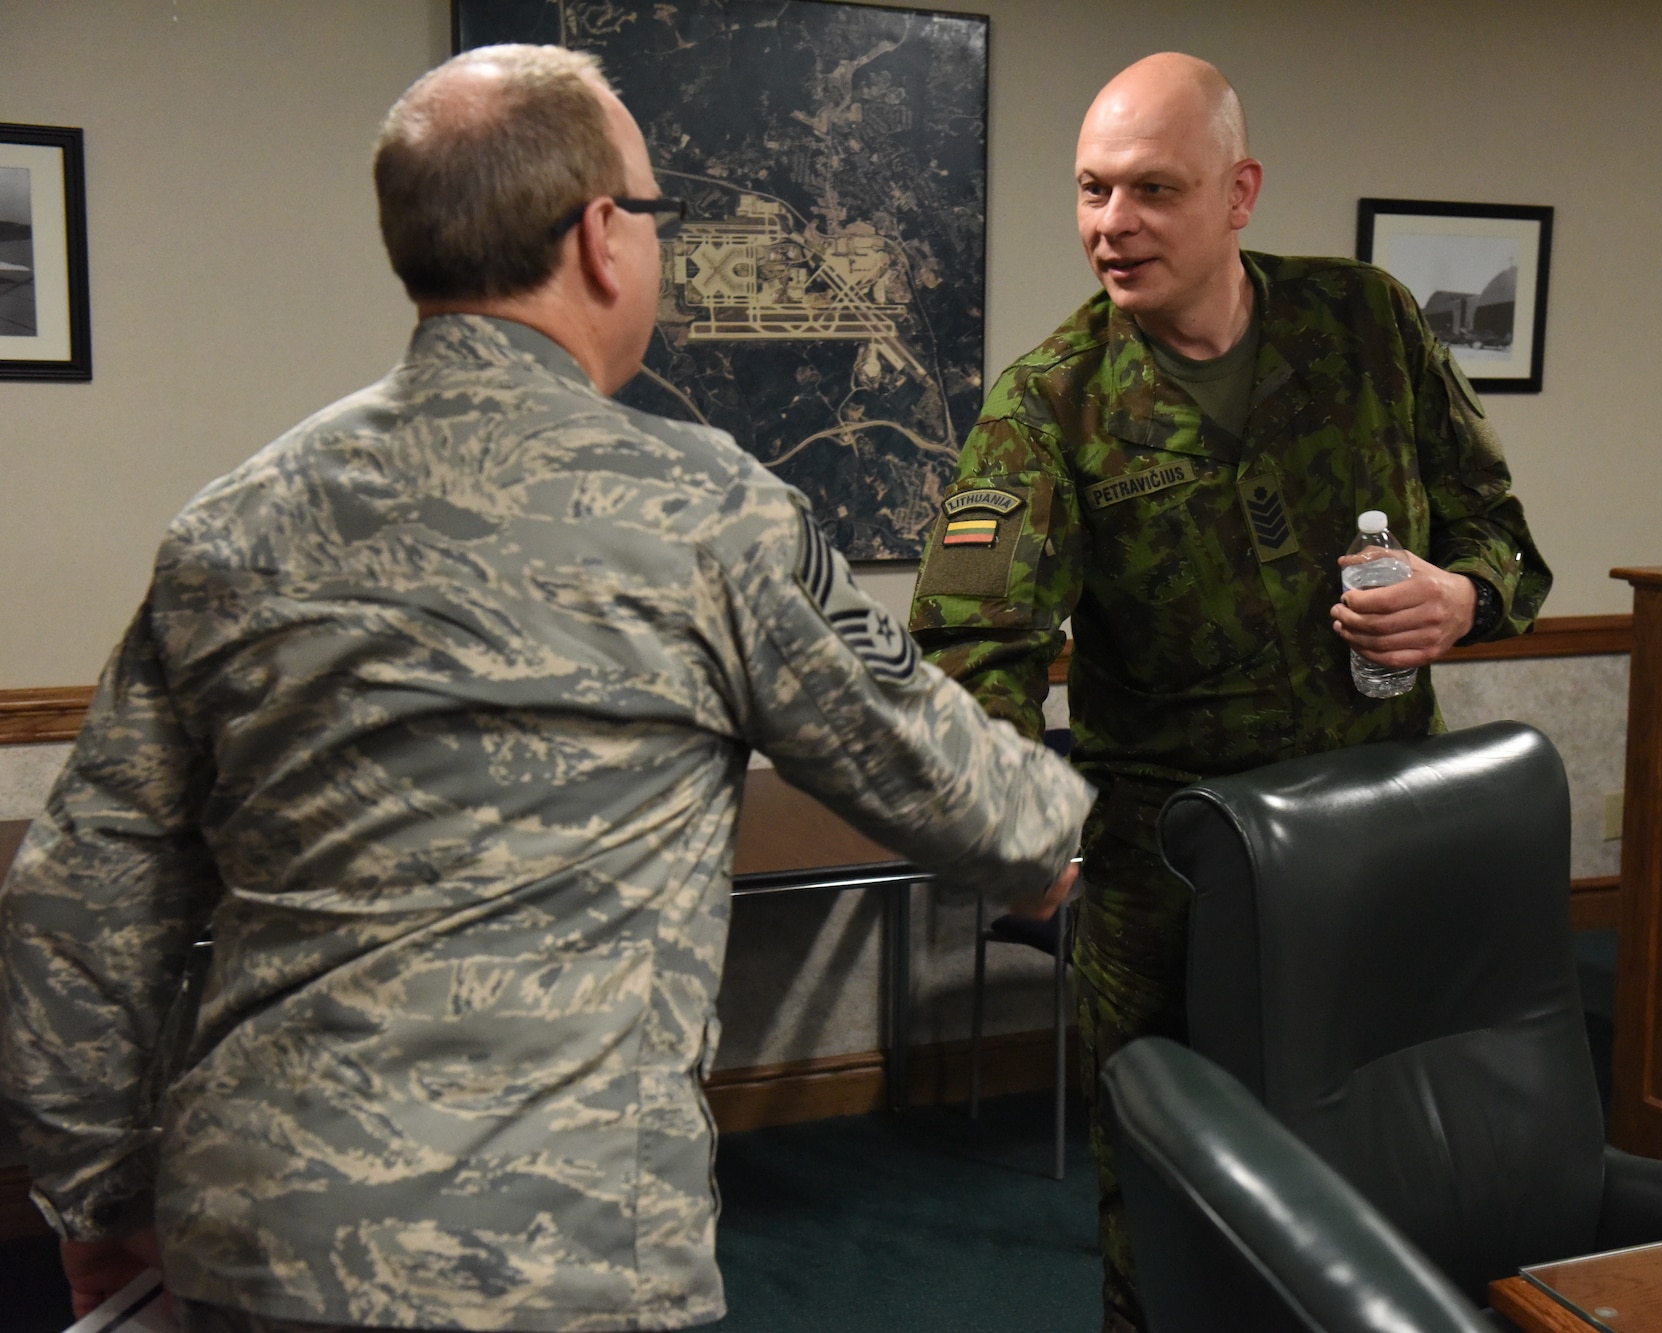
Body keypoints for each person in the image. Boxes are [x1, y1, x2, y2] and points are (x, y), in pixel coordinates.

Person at [0, 44, 1090, 1333]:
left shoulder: (230, 526)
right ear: (599, 239)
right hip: (557, 1263)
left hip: (254, 1239)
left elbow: (77, 900)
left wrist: (100, 1190)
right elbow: (975, 802)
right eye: (653, 214)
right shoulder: (711, 515)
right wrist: (1067, 840)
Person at [908, 52, 1552, 1333]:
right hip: (1175, 884)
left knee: (1388, 1187)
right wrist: (1019, 834)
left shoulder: (1363, 325)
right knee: (1176, 1224)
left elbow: (1505, 542)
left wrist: (1461, 599)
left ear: (1238, 192)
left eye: (1151, 189)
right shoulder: (1050, 407)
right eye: (1091, 190)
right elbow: (971, 653)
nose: (1111, 225)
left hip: (1376, 848)